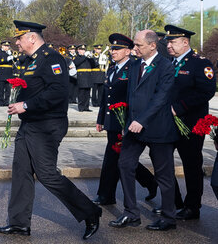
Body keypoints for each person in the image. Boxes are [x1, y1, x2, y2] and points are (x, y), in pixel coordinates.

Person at [0, 21, 102, 240]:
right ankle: (18, 223)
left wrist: (26, 105)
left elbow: (57, 92)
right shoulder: (31, 61)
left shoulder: (52, 58)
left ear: (32, 38)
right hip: (30, 125)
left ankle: (90, 211)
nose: (17, 42)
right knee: (21, 171)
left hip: (47, 125)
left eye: (20, 37)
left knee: (47, 174)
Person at [110, 29, 178, 231]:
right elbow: (130, 95)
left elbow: (161, 98)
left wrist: (142, 120)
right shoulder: (134, 65)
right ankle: (131, 213)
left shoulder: (165, 66)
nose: (135, 48)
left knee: (164, 175)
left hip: (158, 128)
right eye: (134, 45)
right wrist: (126, 123)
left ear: (152, 46)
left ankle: (168, 217)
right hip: (134, 127)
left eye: (138, 45)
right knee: (125, 164)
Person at [93, 33, 158, 205]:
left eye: (117, 49)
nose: (113, 52)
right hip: (112, 120)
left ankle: (106, 194)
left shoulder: (134, 68)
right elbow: (106, 97)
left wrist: (129, 122)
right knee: (116, 157)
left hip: (126, 123)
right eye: (112, 49)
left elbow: (135, 98)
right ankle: (148, 183)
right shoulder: (112, 69)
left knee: (117, 158)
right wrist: (101, 119)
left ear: (128, 51)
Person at [164, 24, 216, 220]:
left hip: (191, 122)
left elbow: (206, 91)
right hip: (168, 122)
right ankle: (173, 202)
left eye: (173, 41)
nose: (169, 45)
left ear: (185, 42)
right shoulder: (168, 63)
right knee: (162, 160)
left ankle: (192, 206)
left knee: (191, 164)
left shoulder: (199, 63)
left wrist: (180, 107)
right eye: (168, 42)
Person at [0, 41, 14, 106]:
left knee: (8, 89)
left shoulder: (10, 52)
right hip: (2, 72)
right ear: (2, 46)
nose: (7, 47)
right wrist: (7, 58)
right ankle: (0, 101)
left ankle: (6, 101)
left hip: (9, 72)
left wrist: (12, 56)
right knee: (1, 88)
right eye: (5, 46)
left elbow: (14, 61)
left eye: (8, 46)